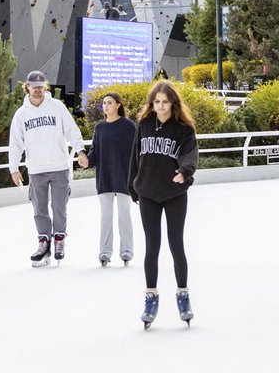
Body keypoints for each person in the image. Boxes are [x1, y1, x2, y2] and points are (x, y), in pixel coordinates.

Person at [128, 81, 198, 328]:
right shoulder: (144, 125)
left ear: (173, 103)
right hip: (148, 193)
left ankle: (183, 295)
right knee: (152, 246)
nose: (160, 106)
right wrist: (132, 186)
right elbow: (136, 155)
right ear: (151, 104)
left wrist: (185, 172)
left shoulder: (183, 129)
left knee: (176, 244)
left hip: (174, 193)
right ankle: (151, 297)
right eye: (156, 102)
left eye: (165, 102)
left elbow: (190, 154)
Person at [8, 70, 87, 267]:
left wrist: (81, 151)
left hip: (59, 166)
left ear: (45, 87)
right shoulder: (21, 114)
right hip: (36, 169)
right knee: (39, 209)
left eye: (40, 87)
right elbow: (16, 142)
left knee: (59, 206)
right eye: (34, 87)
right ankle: (43, 242)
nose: (37, 91)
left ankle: (59, 239)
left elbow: (71, 129)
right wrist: (14, 167)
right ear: (27, 87)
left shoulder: (57, 107)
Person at [78, 92, 136, 266]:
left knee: (124, 215)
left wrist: (137, 175)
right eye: (103, 103)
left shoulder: (128, 126)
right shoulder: (99, 128)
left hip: (124, 178)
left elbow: (136, 152)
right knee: (106, 217)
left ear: (118, 105)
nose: (106, 106)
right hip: (105, 178)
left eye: (109, 103)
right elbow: (94, 152)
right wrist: (86, 160)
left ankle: (126, 251)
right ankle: (104, 253)